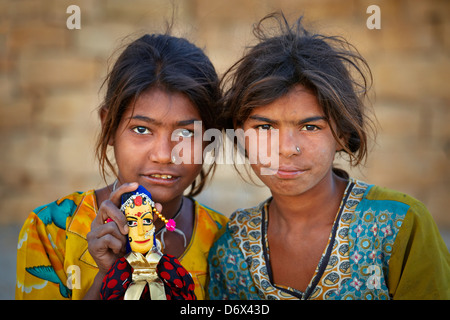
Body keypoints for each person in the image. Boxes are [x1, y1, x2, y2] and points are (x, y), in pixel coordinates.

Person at [208, 12, 450, 300]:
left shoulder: (399, 225)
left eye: (310, 126)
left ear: (341, 134)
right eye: (265, 127)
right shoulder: (232, 248)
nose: (286, 148)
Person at [16, 32, 228, 300]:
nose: (164, 155)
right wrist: (105, 276)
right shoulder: (50, 232)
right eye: (141, 129)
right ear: (109, 126)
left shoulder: (226, 241)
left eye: (186, 133)